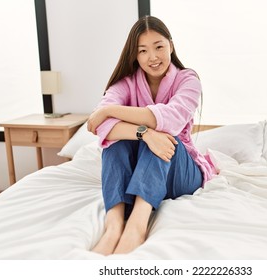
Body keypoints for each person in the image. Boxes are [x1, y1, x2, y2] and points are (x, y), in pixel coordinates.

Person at [87, 15, 215, 255]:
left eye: (159, 47)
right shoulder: (126, 84)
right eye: (143, 50)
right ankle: (114, 225)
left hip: (180, 171)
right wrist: (144, 133)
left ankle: (137, 225)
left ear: (171, 45)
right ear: (135, 55)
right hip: (140, 169)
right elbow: (100, 128)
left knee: (163, 137)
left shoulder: (188, 79)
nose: (153, 57)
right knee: (115, 144)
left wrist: (109, 111)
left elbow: (172, 118)